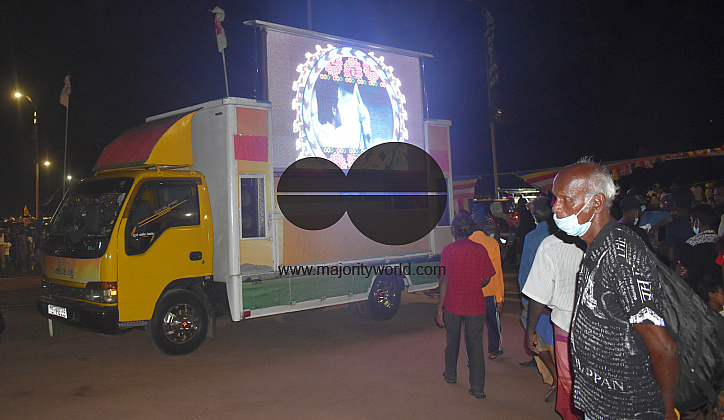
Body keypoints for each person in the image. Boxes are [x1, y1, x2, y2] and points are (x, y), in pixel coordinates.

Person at [552, 159, 679, 420]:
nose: (555, 207)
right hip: (600, 403)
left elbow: (663, 346)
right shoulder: (596, 246)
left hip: (627, 409)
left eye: (565, 199)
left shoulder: (622, 254)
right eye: (555, 198)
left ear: (597, 203)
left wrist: (667, 412)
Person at [523, 231, 585, 419]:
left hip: (565, 322)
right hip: (601, 325)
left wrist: (531, 329)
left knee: (569, 378)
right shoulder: (610, 237)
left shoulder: (550, 244)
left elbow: (538, 293)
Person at [437, 211, 496, 399]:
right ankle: (478, 388)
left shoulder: (448, 250)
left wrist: (440, 306)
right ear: (470, 229)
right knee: (476, 345)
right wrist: (475, 284)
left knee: (452, 340)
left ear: (455, 230)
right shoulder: (480, 249)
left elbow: (444, 280)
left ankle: (451, 374)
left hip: (452, 304)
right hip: (475, 305)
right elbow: (487, 277)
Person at [517, 195, 558, 392]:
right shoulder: (562, 235)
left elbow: (525, 273)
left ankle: (554, 374)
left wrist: (525, 301)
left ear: (534, 216)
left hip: (539, 297)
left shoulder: (532, 238)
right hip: (560, 298)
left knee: (533, 332)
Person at [469, 213, 505, 360]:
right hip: (489, 292)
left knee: (472, 325)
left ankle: (473, 353)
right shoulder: (492, 243)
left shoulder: (466, 242)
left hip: (471, 292)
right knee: (492, 322)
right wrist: (500, 297)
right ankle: (494, 350)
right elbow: (497, 272)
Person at [676, 204, 721, 290]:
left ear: (697, 222)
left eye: (691, 221)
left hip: (697, 290)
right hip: (718, 289)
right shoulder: (720, 242)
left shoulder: (691, 244)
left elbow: (683, 271)